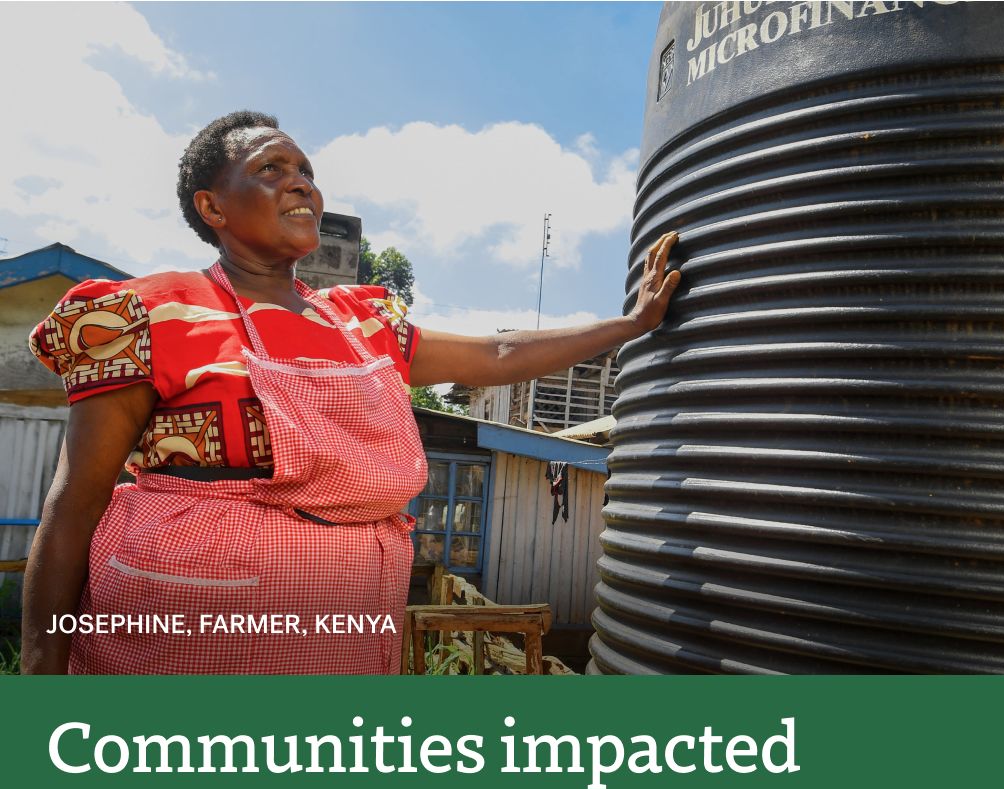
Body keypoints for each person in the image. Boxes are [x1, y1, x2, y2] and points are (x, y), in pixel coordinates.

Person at [20, 110, 681, 675]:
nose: (301, 181)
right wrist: (41, 683)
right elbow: (77, 503)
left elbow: (496, 353)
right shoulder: (152, 313)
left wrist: (630, 324)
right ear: (212, 206)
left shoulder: (362, 322)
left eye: (305, 169)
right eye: (270, 168)